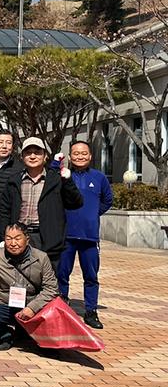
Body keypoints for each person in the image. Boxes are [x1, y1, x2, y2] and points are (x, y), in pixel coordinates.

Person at [0, 225, 60, 351]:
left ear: (27, 239)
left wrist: (32, 308)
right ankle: (6, 334)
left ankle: (28, 332)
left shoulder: (41, 258)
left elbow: (51, 289)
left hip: (32, 305)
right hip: (4, 303)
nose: (13, 243)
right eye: (8, 238)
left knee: (49, 340)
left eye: (17, 238)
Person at [0, 137, 83, 273]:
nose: (32, 156)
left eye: (37, 152)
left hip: (47, 239)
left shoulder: (56, 179)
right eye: (28, 153)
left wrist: (68, 181)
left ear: (45, 156)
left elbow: (75, 203)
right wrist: (3, 238)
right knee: (19, 281)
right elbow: (4, 211)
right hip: (19, 237)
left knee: (47, 283)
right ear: (22, 156)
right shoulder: (14, 181)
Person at [57, 141, 113, 330]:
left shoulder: (99, 177)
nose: (80, 156)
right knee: (62, 274)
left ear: (90, 156)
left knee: (91, 276)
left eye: (84, 153)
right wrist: (56, 163)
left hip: (89, 237)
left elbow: (107, 200)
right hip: (66, 235)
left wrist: (92, 214)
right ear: (70, 156)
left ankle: (91, 311)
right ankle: (62, 307)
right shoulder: (63, 175)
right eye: (76, 154)